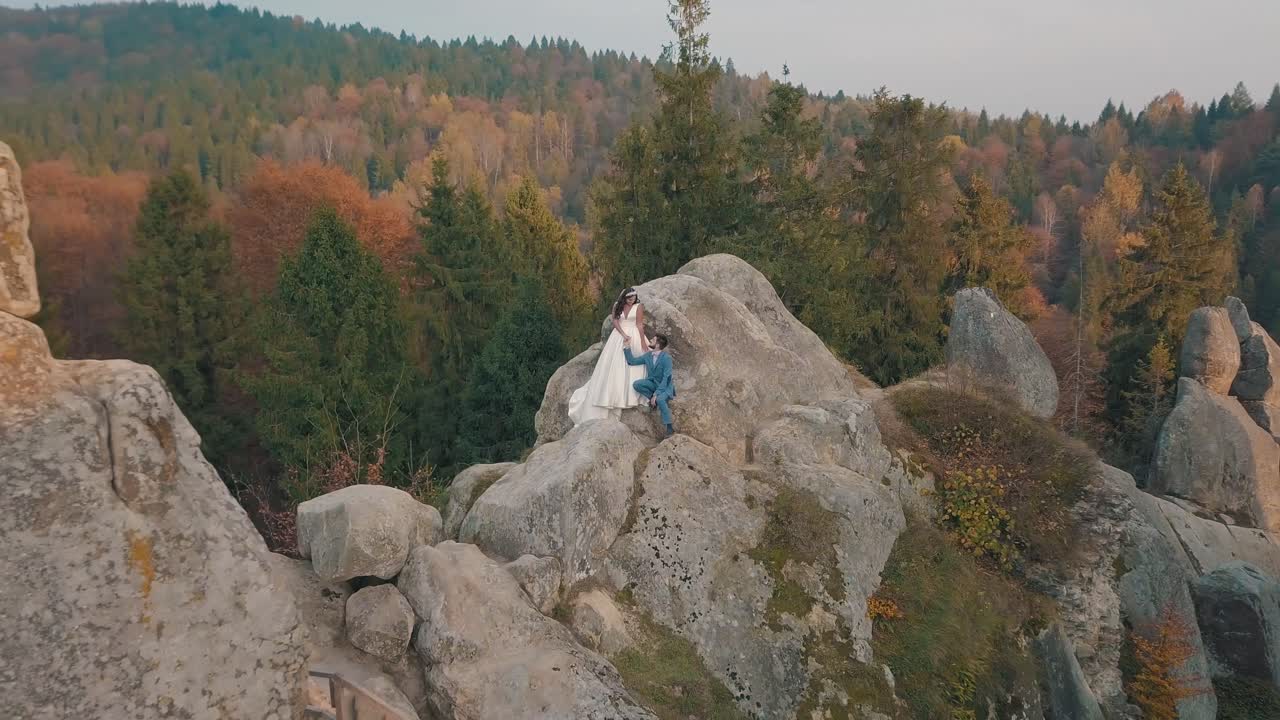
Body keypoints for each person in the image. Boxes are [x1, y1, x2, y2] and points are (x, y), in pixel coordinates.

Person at [566, 287, 649, 424]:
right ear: (624, 298)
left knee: (635, 364)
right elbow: (615, 321)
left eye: (633, 298)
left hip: (634, 335)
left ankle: (631, 396)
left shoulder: (638, 306)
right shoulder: (617, 305)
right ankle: (612, 395)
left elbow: (639, 325)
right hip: (619, 336)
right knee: (614, 365)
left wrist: (642, 342)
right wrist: (623, 334)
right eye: (629, 298)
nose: (631, 300)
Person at [624, 334, 676, 437]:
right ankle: (653, 399)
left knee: (660, 399)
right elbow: (632, 361)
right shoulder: (648, 355)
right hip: (652, 383)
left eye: (652, 340)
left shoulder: (667, 358)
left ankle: (670, 428)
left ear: (657, 344)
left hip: (665, 387)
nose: (650, 340)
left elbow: (666, 378)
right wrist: (627, 347)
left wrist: (657, 394)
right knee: (637, 384)